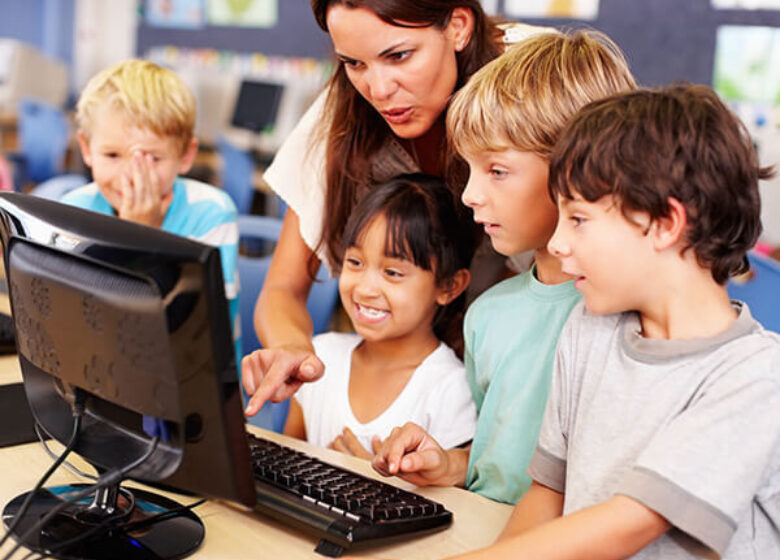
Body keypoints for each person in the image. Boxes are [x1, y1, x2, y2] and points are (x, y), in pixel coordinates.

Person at [363, 85, 780, 560]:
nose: (558, 243)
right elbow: (547, 492)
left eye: (578, 219)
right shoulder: (587, 330)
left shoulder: (754, 375)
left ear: (666, 224)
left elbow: (629, 522)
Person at [242, 1, 548, 417]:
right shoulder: (349, 108)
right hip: (419, 379)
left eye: (399, 56)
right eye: (354, 62)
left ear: (458, 27)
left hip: (531, 366)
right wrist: (293, 347)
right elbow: (283, 288)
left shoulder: (534, 76)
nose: (379, 90)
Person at [371, 30, 636, 504]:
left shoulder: (628, 320)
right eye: (470, 169)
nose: (470, 194)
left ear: (576, 170)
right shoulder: (488, 314)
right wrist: (451, 463)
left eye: (497, 170)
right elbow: (500, 466)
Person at [278, 173, 477, 457]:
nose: (366, 288)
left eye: (392, 272)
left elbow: (453, 497)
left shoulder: (449, 390)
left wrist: (371, 486)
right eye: (355, 262)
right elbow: (287, 462)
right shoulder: (320, 359)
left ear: (449, 286)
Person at [62, 59, 241, 357]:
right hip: (101, 371)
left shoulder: (211, 213)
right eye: (112, 155)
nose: (130, 177)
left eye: (153, 160)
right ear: (86, 149)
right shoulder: (75, 210)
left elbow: (186, 334)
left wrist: (139, 237)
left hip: (187, 384)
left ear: (185, 156)